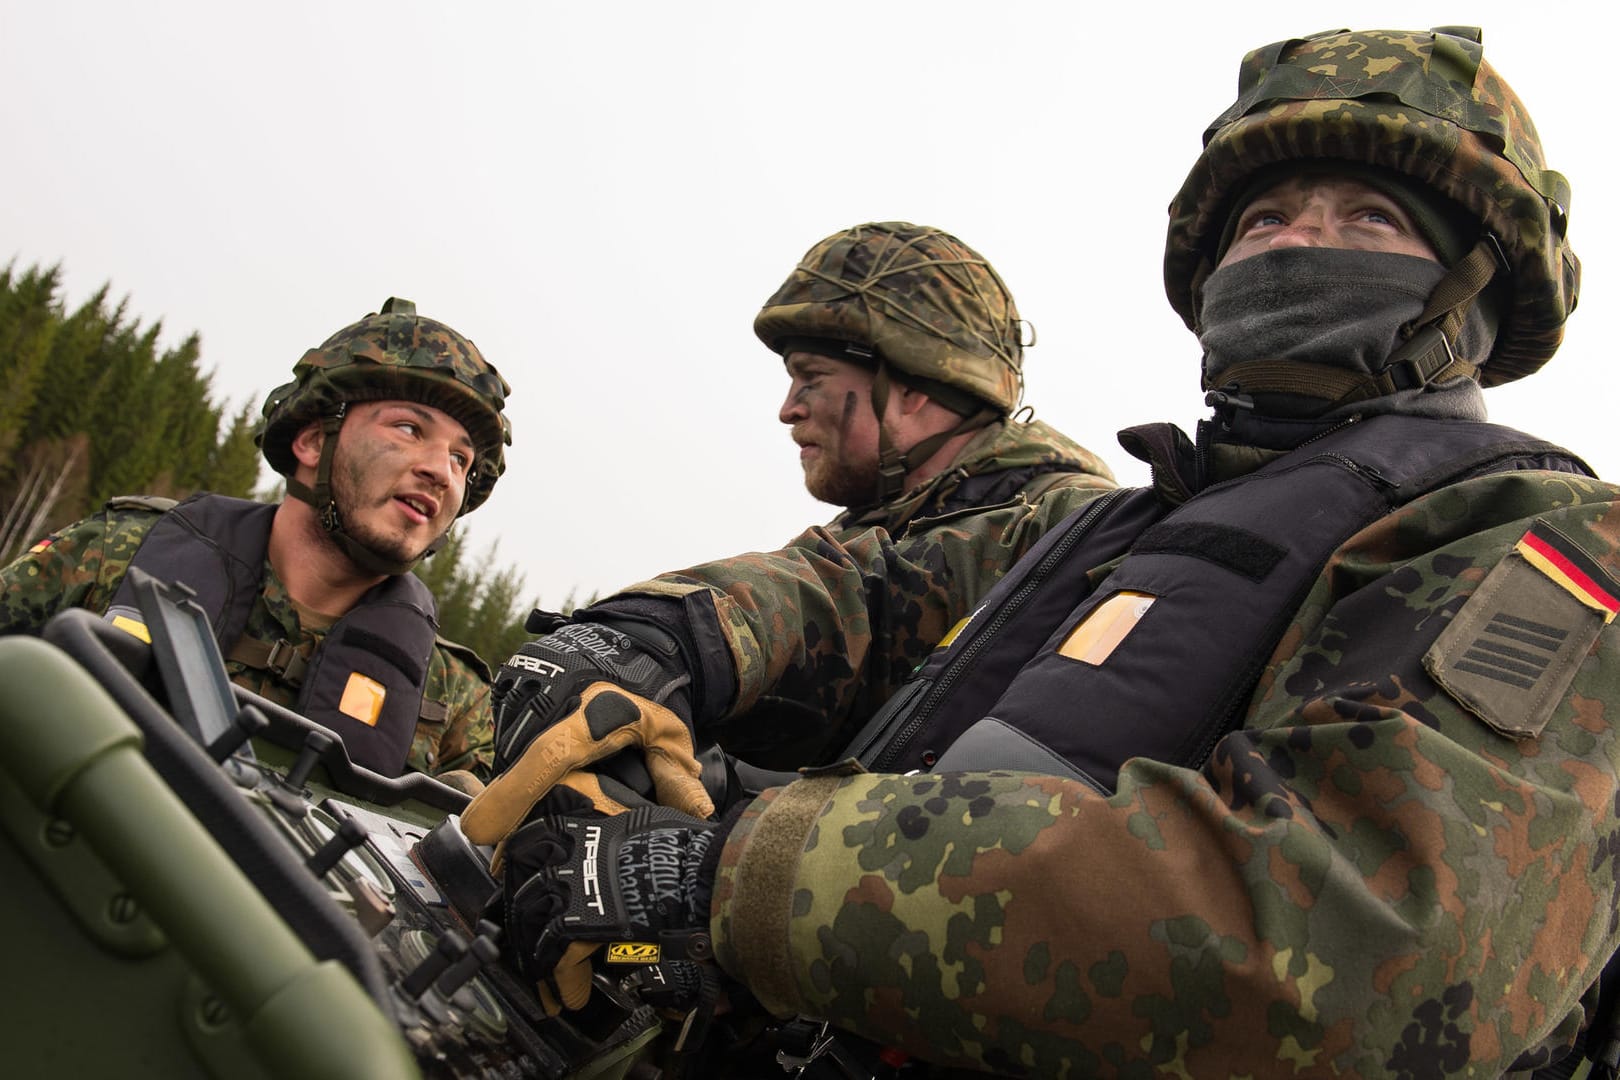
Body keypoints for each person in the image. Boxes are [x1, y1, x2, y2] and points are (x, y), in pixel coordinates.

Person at [467, 26, 1620, 1077]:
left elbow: (1371, 952)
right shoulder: (1121, 528)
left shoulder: (1534, 541)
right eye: (1263, 222)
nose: (1295, 247)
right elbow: (863, 597)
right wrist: (669, 643)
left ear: (1477, 283)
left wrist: (738, 879)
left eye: (1366, 217)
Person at [0, 298, 511, 791]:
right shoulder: (119, 552)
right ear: (312, 442)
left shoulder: (451, 693)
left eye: (461, 461)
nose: (440, 471)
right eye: (408, 428)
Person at [762, 220, 1114, 540]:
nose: (788, 410)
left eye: (812, 377)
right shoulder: (858, 538)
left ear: (913, 385)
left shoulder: (1075, 526)